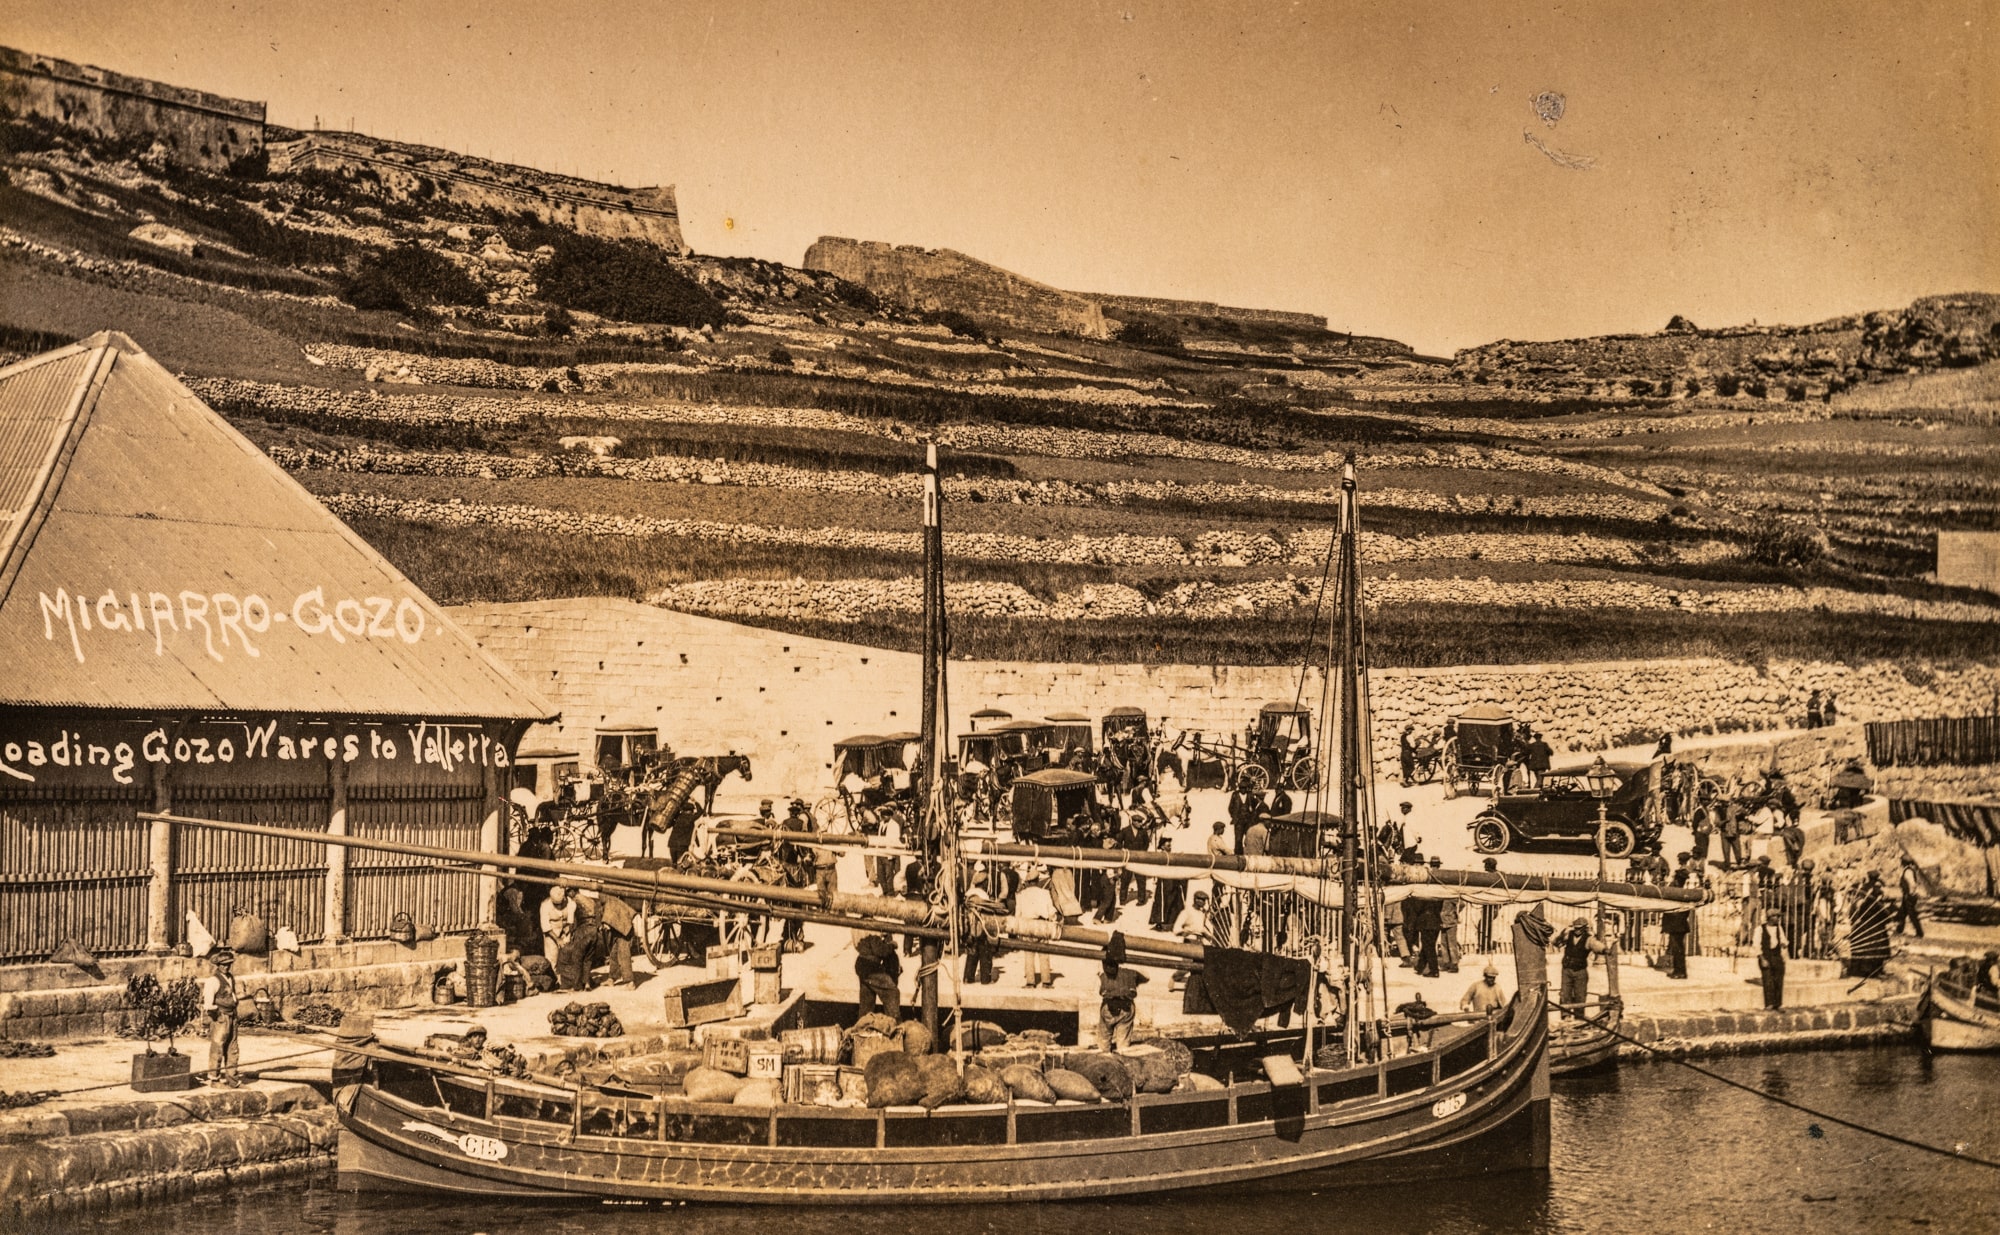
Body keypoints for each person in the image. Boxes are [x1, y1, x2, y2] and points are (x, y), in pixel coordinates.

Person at [1096, 933, 1148, 1051]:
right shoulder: (1129, 972)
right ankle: (1122, 1052)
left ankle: (1105, 1054)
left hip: (1109, 1006)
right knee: (1123, 1045)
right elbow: (1146, 977)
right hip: (1126, 1006)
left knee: (1104, 1041)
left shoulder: (1102, 974)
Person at [200, 948, 242, 1086]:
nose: (226, 967)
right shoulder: (213, 981)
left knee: (232, 1047)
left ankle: (232, 1078)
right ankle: (214, 1079)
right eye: (223, 964)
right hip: (221, 1016)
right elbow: (208, 1004)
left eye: (228, 964)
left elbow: (233, 995)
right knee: (217, 1047)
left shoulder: (230, 978)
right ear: (218, 965)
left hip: (232, 1015)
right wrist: (217, 1014)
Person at [1557, 920, 1609, 1016]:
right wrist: (1561, 934)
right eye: (1576, 928)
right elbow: (1556, 942)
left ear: (1584, 928)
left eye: (1579, 928)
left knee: (1580, 994)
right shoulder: (1569, 935)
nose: (1577, 930)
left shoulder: (1589, 939)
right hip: (1567, 970)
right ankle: (1565, 1015)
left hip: (1580, 971)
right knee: (1565, 993)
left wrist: (1605, 949)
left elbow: (1597, 945)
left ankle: (1579, 1016)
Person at [1015, 867, 1057, 988]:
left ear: (1028, 882)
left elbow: (1018, 913)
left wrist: (1018, 929)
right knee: (1044, 954)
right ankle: (1046, 981)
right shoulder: (1045, 893)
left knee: (1029, 954)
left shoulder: (1021, 895)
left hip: (1027, 925)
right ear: (1038, 880)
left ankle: (1030, 982)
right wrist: (1053, 920)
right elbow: (1051, 911)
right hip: (1041, 924)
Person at [1847, 871, 1893, 978]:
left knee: (1862, 944)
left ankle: (1860, 970)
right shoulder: (1877, 890)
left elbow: (1858, 906)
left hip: (1862, 922)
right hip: (1875, 924)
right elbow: (1881, 909)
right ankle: (1875, 971)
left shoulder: (1863, 889)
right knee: (1877, 946)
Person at [1169, 891, 1210, 991]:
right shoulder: (1186, 912)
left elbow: (1201, 928)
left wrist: (1209, 936)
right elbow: (1176, 929)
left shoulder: (1202, 914)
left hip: (1200, 941)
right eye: (1200, 899)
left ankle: (1194, 985)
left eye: (1203, 900)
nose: (1202, 902)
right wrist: (1186, 931)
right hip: (1190, 940)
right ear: (1195, 899)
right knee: (1187, 964)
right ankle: (1174, 978)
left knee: (1200, 964)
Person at [855, 933, 902, 1018]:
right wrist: (892, 945)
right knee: (891, 992)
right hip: (871, 966)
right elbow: (880, 951)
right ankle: (894, 1020)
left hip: (862, 964)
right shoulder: (873, 932)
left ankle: (864, 1022)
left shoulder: (864, 932)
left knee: (867, 997)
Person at [1427, 856, 1461, 972]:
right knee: (1443, 943)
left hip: (1450, 921)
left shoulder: (1450, 894)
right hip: (1443, 920)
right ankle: (1446, 963)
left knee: (1451, 943)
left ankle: (1454, 964)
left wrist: (1454, 912)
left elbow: (1461, 903)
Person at [1756, 908, 1788, 1009]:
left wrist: (1784, 944)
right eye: (1776, 916)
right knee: (1768, 980)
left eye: (1779, 916)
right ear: (1770, 918)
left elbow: (1783, 940)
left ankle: (1778, 1004)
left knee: (1778, 980)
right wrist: (1762, 959)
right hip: (1766, 956)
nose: (1778, 919)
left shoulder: (1779, 928)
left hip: (1776, 956)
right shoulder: (1760, 929)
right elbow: (1756, 945)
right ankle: (1769, 1004)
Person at [538, 884, 576, 969]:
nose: (558, 907)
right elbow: (546, 927)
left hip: (565, 931)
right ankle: (553, 975)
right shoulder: (545, 905)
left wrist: (567, 932)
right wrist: (558, 940)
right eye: (555, 904)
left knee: (567, 956)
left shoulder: (570, 903)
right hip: (551, 933)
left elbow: (571, 921)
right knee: (552, 959)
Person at [1408, 893, 1442, 978]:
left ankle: (1434, 970)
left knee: (1429, 947)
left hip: (1426, 923)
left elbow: (1417, 908)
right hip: (1436, 922)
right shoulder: (1437, 895)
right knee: (1427, 945)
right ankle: (1420, 967)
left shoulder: (1422, 895)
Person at [1894, 855, 1925, 937]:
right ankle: (1899, 930)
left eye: (1901, 861)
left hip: (1909, 896)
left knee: (1912, 915)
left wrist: (1910, 893)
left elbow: (1912, 884)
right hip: (1907, 895)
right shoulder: (1908, 870)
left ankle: (1919, 933)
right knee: (1902, 913)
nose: (1900, 863)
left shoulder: (1908, 871)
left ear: (1904, 862)